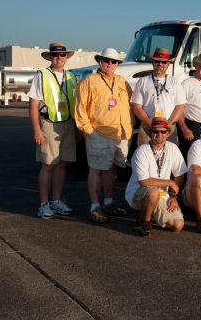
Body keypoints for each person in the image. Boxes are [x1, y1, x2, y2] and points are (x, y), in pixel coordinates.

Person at [75, 47, 133, 223]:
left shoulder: (122, 82)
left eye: (113, 61)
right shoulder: (89, 81)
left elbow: (130, 106)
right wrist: (89, 131)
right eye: (106, 60)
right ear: (100, 61)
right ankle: (94, 207)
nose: (109, 64)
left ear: (117, 64)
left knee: (111, 169)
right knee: (96, 169)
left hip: (120, 134)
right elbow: (79, 109)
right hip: (98, 133)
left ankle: (108, 203)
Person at [28, 42, 77, 219]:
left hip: (67, 124)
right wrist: (37, 130)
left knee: (62, 164)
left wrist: (77, 127)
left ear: (66, 57)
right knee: (48, 165)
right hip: (48, 124)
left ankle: (56, 201)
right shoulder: (41, 75)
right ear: (50, 57)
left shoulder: (71, 76)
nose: (59, 58)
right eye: (55, 55)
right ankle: (44, 204)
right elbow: (33, 105)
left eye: (62, 55)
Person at [124, 117, 186, 237]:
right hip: (139, 192)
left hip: (162, 195)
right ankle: (145, 223)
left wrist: (173, 196)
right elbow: (144, 181)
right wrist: (169, 183)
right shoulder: (141, 151)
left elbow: (179, 175)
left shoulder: (173, 148)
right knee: (153, 192)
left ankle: (148, 212)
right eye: (155, 131)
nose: (159, 134)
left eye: (163, 131)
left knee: (177, 225)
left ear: (167, 133)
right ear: (150, 133)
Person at [130, 47, 183, 146]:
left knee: (169, 158)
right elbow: (137, 107)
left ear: (168, 64)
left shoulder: (175, 82)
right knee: (145, 156)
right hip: (147, 128)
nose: (160, 64)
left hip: (169, 128)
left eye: (164, 62)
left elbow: (180, 107)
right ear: (153, 62)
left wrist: (166, 126)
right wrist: (151, 124)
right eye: (157, 61)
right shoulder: (143, 81)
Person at [177, 54, 201, 159]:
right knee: (190, 158)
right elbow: (179, 110)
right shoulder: (187, 84)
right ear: (196, 66)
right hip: (192, 128)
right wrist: (184, 129)